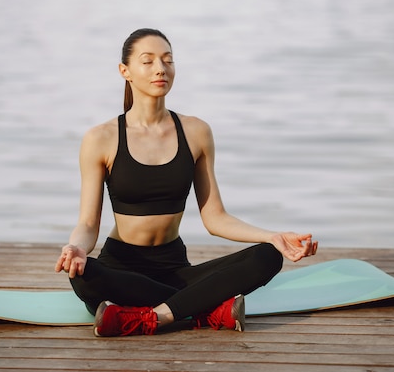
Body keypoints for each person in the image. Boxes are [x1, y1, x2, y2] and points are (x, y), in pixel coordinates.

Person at [55, 28, 318, 337]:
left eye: (167, 60)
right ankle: (202, 310)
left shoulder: (196, 132)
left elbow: (214, 217)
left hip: (176, 270)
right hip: (121, 268)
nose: (160, 69)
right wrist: (76, 247)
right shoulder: (100, 138)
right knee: (83, 274)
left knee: (268, 255)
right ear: (125, 71)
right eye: (148, 61)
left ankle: (158, 316)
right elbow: (88, 223)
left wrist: (273, 236)